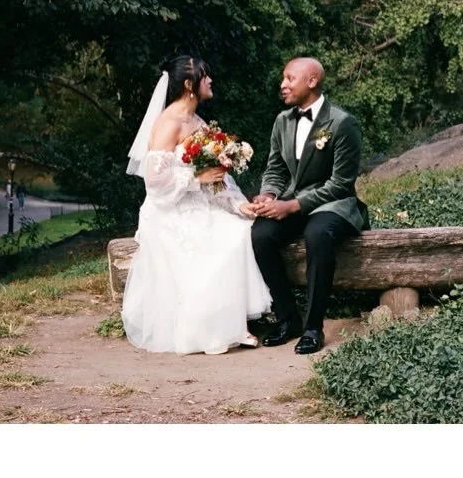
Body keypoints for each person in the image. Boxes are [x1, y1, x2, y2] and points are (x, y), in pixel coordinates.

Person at [121, 56, 272, 355]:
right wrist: (197, 177)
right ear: (189, 85)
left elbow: (216, 178)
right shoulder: (168, 123)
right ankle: (221, 327)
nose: (211, 80)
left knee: (240, 229)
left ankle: (232, 320)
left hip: (198, 202)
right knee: (224, 239)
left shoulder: (198, 122)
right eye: (206, 76)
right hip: (169, 210)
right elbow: (155, 181)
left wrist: (238, 204)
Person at [249, 57, 367, 354]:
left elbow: (341, 183)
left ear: (312, 81)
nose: (283, 85)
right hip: (293, 200)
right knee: (261, 234)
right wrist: (270, 196)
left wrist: (293, 207)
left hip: (334, 204)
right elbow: (275, 168)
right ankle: (289, 319)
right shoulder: (282, 121)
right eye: (283, 79)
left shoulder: (342, 122)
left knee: (318, 234)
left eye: (290, 78)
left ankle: (314, 327)